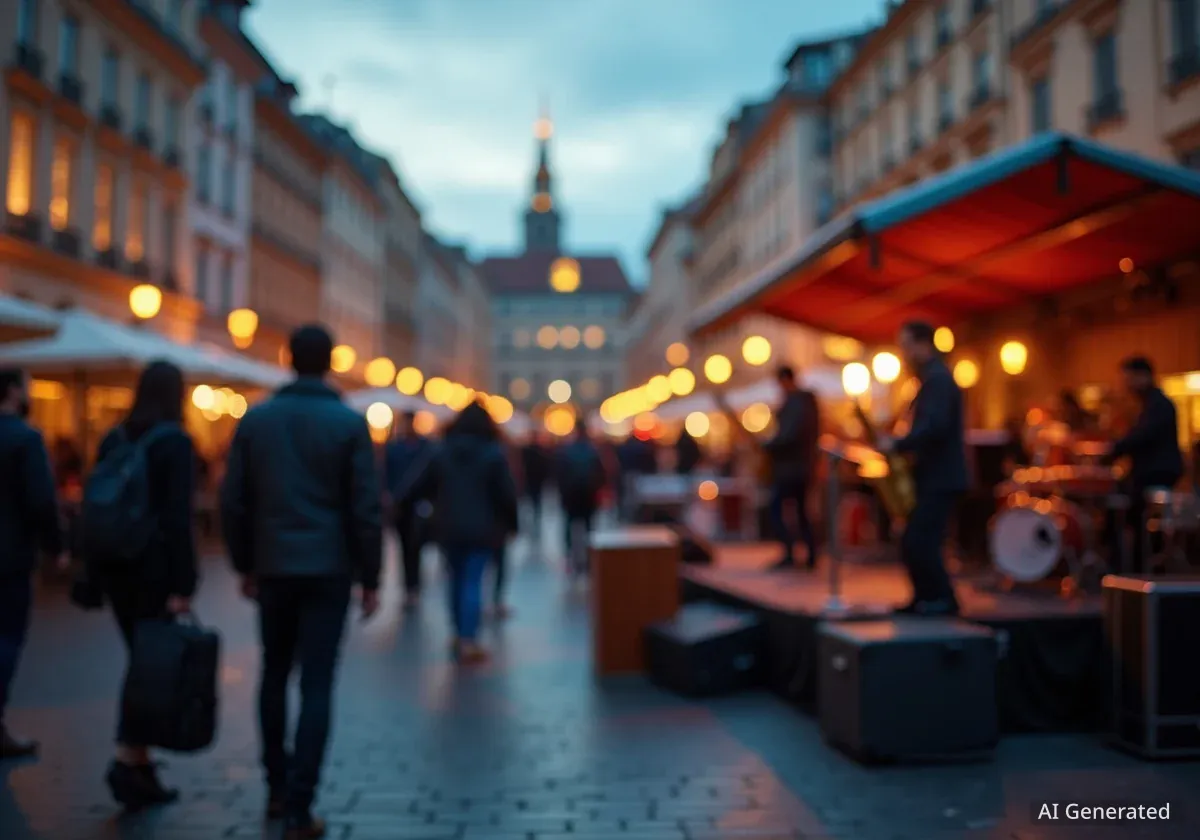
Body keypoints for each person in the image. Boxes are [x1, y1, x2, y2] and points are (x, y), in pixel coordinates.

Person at [221, 325, 382, 840]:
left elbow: (234, 500)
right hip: (328, 566)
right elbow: (364, 508)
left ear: (288, 359)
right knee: (316, 682)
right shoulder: (347, 423)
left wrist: (244, 563)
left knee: (273, 673)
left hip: (273, 566)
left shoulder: (257, 420)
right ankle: (300, 803)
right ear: (331, 362)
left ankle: (274, 784)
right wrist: (372, 575)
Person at [88, 361, 198, 805]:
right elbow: (177, 519)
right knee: (147, 668)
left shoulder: (114, 436)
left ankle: (138, 762)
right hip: (153, 569)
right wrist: (184, 582)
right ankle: (127, 761)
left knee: (141, 661)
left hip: (117, 566)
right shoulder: (175, 442)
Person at [403, 401, 518, 663]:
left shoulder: (441, 452)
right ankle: (468, 638)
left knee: (454, 579)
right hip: (482, 527)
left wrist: (402, 505)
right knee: (472, 580)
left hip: (448, 526)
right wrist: (512, 524)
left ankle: (458, 632)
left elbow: (417, 485)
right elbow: (506, 495)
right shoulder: (492, 454)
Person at [880, 321, 967, 615]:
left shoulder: (938, 380)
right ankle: (926, 598)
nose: (903, 354)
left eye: (905, 346)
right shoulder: (932, 379)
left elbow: (935, 426)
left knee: (920, 540)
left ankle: (942, 599)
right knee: (916, 539)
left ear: (922, 344)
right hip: (934, 476)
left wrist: (898, 444)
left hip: (940, 477)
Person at [0, 368, 62, 760]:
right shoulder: (25, 438)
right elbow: (41, 501)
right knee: (6, 637)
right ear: (11, 391)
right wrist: (56, 546)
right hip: (8, 557)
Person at [1104, 356, 1184, 574]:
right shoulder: (1151, 404)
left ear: (1143, 376)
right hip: (1153, 473)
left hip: (1157, 473)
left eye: (1128, 378)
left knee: (1133, 513)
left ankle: (1138, 567)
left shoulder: (1159, 405)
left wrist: (1113, 449)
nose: (1125, 384)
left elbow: (1143, 436)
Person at [763, 365, 819, 570]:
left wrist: (767, 444)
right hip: (803, 467)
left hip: (791, 469)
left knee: (778, 509)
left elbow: (788, 435)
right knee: (802, 511)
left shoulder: (796, 403)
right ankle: (810, 554)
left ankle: (791, 553)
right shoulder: (807, 402)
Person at [384, 411, 433, 609]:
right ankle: (409, 586)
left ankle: (414, 586)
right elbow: (385, 473)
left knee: (415, 546)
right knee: (405, 546)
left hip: (418, 505)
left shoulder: (425, 448)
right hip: (400, 505)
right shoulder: (395, 448)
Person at [557, 419, 606, 575]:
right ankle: (589, 557)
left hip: (571, 495)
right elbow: (601, 473)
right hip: (588, 495)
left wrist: (562, 493)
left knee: (569, 525)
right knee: (589, 526)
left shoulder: (567, 450)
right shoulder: (593, 450)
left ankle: (571, 556)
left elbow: (560, 474)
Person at [520, 433, 551, 535]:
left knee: (530, 502)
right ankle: (535, 522)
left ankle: (531, 523)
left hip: (531, 481)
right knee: (536, 503)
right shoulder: (539, 452)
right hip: (536, 481)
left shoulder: (526, 452)